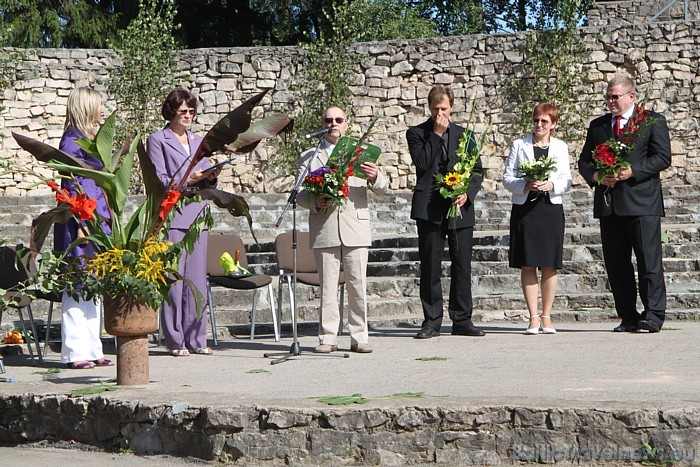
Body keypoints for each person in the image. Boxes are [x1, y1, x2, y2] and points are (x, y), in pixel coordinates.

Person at [578, 75, 671, 333]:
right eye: (608, 97)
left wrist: (633, 171)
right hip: (610, 205)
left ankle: (653, 315)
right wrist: (596, 176)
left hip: (642, 203)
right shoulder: (598, 126)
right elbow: (584, 161)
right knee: (617, 264)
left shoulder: (652, 121)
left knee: (648, 262)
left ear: (631, 96)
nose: (610, 101)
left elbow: (662, 157)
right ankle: (628, 316)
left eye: (615, 96)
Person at [297, 107, 388, 353]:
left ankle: (359, 336)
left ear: (346, 124)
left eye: (339, 120)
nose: (333, 123)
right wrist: (315, 202)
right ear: (322, 124)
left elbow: (383, 187)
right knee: (327, 286)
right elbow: (299, 195)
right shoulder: (310, 156)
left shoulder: (361, 152)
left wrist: (375, 175)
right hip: (324, 225)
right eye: (328, 120)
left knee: (357, 284)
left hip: (355, 226)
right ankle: (327, 337)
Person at [406, 85, 485, 339]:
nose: (440, 113)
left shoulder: (466, 135)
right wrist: (436, 135)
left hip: (458, 208)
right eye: (435, 109)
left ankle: (462, 319)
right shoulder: (417, 133)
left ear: (452, 108)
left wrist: (467, 193)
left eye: (444, 109)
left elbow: (476, 170)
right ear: (429, 109)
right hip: (429, 208)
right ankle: (432, 321)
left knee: (462, 265)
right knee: (430, 266)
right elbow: (421, 163)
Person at [147, 89, 221, 356]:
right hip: (173, 213)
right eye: (183, 112)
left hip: (198, 211)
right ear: (171, 112)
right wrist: (187, 180)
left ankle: (197, 339)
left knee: (196, 279)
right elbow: (159, 178)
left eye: (191, 111)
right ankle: (175, 340)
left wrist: (211, 176)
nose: (188, 116)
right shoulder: (157, 139)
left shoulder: (199, 139)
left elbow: (208, 177)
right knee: (174, 279)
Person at [55, 87, 114, 369]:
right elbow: (72, 188)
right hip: (80, 223)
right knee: (76, 286)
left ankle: (93, 347)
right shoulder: (71, 143)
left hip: (98, 220)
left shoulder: (89, 141)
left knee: (94, 285)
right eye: (99, 106)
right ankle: (74, 352)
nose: (103, 111)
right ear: (86, 108)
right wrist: (81, 225)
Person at [503, 103, 572, 335]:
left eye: (544, 121)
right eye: (536, 120)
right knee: (528, 262)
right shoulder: (519, 145)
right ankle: (533, 317)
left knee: (550, 263)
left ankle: (547, 316)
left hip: (550, 208)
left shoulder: (561, 147)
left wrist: (552, 185)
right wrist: (525, 185)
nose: (539, 125)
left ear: (553, 124)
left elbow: (566, 179)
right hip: (526, 209)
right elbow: (507, 178)